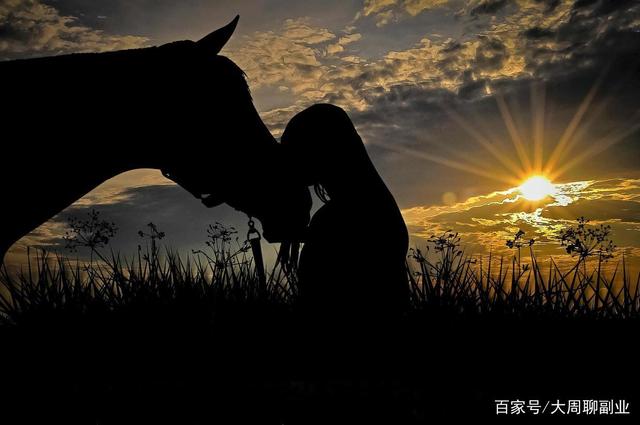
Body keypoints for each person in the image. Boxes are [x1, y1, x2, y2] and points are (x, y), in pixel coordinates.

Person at [280, 104, 409, 325]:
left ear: (320, 150)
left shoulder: (334, 219)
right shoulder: (377, 206)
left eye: (295, 150)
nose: (288, 163)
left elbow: (316, 308)